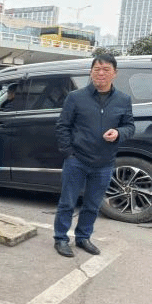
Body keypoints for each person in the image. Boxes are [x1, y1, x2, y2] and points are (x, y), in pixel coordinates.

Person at [53, 54, 134, 257]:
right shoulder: (76, 97)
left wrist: (118, 133)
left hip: (104, 162)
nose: (101, 73)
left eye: (106, 69)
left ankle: (83, 237)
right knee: (67, 202)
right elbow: (62, 126)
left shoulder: (123, 100)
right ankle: (61, 238)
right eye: (97, 69)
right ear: (91, 72)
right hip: (77, 160)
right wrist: (69, 153)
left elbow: (129, 126)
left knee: (93, 204)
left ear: (114, 74)